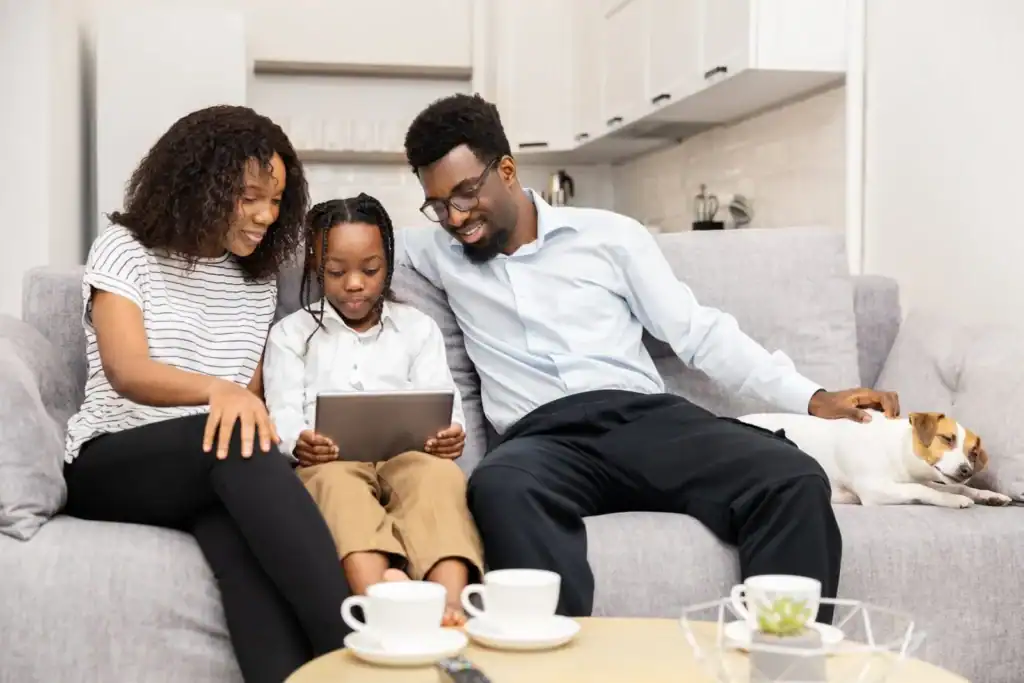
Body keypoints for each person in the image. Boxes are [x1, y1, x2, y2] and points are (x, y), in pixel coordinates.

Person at [399, 93, 901, 623]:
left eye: (465, 194)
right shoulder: (436, 251)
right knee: (499, 487)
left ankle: (782, 662)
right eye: (438, 205)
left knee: (792, 477)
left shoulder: (610, 236)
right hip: (543, 442)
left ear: (505, 169)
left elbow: (699, 333)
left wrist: (814, 398)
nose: (455, 217)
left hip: (643, 421)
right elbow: (341, 237)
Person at [62, 105, 351, 683]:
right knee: (240, 444)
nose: (267, 216)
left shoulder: (257, 277)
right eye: (250, 197)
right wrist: (223, 394)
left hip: (211, 469)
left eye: (276, 201)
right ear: (203, 184)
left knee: (244, 559)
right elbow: (127, 368)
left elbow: (248, 395)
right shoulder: (124, 248)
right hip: (114, 459)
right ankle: (360, 649)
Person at [263, 194, 484, 626]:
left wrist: (451, 432)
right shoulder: (291, 335)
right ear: (315, 268)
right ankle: (382, 600)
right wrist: (299, 443)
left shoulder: (416, 327)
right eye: (336, 272)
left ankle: (450, 604)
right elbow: (283, 412)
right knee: (336, 489)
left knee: (439, 478)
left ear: (387, 264)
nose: (354, 284)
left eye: (369, 270)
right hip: (331, 461)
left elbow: (442, 398)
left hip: (409, 456)